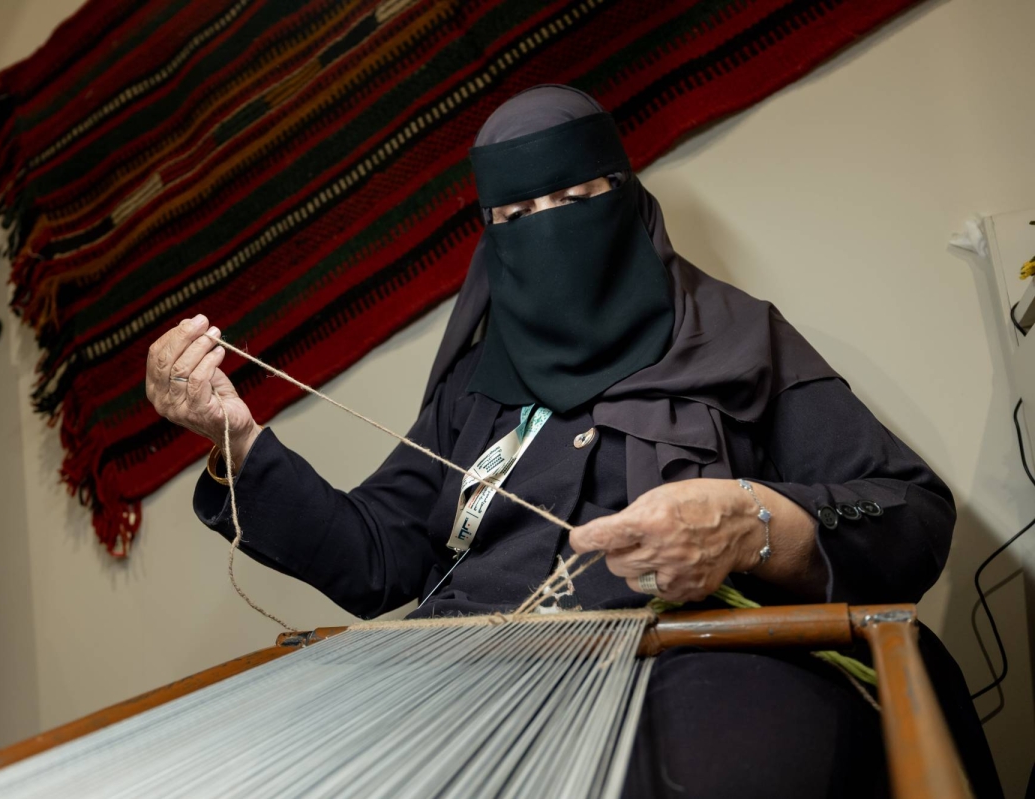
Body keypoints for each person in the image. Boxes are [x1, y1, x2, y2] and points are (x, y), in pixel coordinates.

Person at [146, 85, 1001, 798]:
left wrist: (752, 524)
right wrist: (236, 440)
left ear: (624, 196)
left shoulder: (740, 339)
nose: (547, 228)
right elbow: (375, 560)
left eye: (572, 199)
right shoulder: (475, 386)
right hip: (463, 671)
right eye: (516, 213)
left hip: (689, 658)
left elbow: (911, 510)